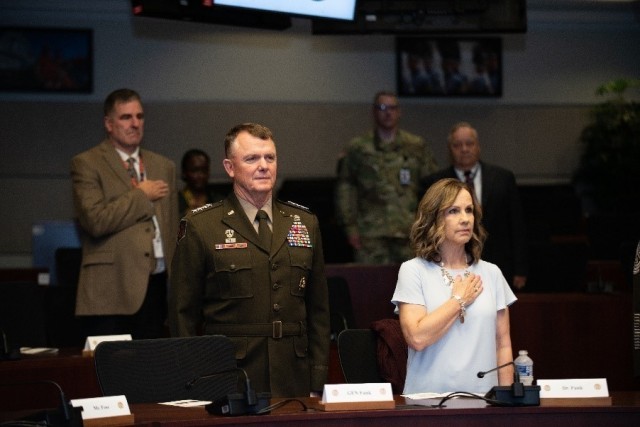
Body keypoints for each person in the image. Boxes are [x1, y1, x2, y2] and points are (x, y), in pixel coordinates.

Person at [169, 123, 330, 397]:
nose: (264, 166)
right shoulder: (201, 225)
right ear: (230, 168)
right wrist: (194, 379)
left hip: (294, 374)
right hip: (230, 374)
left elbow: (319, 310)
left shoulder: (304, 221)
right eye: (251, 158)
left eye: (270, 157)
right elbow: (181, 313)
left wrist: (317, 377)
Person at [392, 178, 517, 393]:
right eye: (453, 211)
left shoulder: (491, 273)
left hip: (484, 401)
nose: (465, 219)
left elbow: (503, 344)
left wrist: (506, 405)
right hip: (428, 402)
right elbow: (417, 338)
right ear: (434, 218)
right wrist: (459, 300)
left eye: (469, 210)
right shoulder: (413, 271)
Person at [71, 88, 178, 339]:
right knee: (112, 373)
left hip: (158, 283)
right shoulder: (86, 163)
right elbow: (95, 220)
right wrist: (141, 196)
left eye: (139, 116)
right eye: (126, 117)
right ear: (108, 124)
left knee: (154, 369)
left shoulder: (164, 166)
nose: (135, 123)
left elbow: (172, 228)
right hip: (111, 288)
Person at [335, 90, 438, 264]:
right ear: (374, 112)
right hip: (370, 234)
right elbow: (345, 189)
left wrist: (430, 226)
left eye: (392, 107)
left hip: (409, 232)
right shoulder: (358, 148)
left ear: (399, 112)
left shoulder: (416, 146)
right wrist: (350, 227)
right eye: (382, 107)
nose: (388, 112)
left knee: (411, 286)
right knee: (370, 286)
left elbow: (433, 188)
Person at [422, 122, 528, 290]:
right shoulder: (435, 183)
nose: (464, 149)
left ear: (478, 146)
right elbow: (429, 227)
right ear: (450, 149)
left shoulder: (503, 178)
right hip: (449, 267)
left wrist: (520, 268)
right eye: (457, 145)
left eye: (469, 143)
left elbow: (516, 225)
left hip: (499, 263)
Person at [178, 148, 229, 216]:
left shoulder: (219, 201)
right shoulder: (175, 202)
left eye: (204, 170)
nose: (201, 175)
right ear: (184, 173)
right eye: (195, 170)